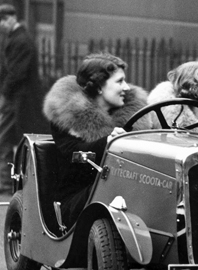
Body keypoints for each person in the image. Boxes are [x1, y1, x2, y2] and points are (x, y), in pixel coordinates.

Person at [42, 53, 148, 227]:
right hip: (77, 199)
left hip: (124, 193)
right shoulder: (68, 115)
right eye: (119, 81)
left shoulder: (133, 118)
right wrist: (108, 141)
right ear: (99, 87)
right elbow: (73, 154)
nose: (127, 87)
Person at [0, 4, 47, 192]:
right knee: (12, 140)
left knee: (4, 139)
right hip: (18, 100)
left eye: (2, 21)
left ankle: (5, 181)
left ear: (11, 18)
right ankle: (10, 179)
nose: (1, 26)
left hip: (19, 100)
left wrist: (4, 93)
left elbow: (16, 73)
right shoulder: (17, 38)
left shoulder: (21, 41)